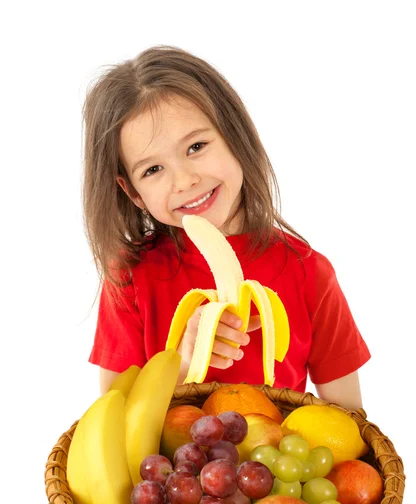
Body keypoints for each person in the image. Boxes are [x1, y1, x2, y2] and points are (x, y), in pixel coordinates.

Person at [84, 45, 370, 410]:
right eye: (152, 170)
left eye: (196, 146)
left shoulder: (309, 272)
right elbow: (113, 417)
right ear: (133, 192)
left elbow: (350, 422)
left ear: (234, 135)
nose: (185, 181)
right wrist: (184, 363)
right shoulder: (130, 277)